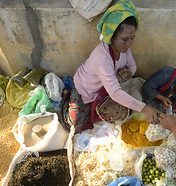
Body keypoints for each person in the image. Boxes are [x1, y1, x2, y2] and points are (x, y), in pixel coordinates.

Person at [62, 0, 160, 133]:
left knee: (113, 114)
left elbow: (132, 66)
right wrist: (145, 108)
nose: (129, 43)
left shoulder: (123, 49)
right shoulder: (102, 57)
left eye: (132, 38)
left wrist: (129, 73)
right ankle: (67, 97)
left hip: (102, 88)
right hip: (84, 88)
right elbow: (115, 93)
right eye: (125, 39)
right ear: (111, 37)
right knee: (75, 126)